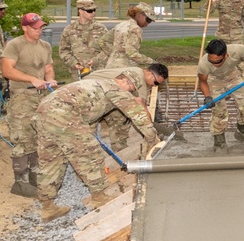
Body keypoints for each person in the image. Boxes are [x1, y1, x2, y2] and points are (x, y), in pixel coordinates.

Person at [34, 71, 158, 221]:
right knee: (91, 155)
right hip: (64, 116)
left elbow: (86, 111)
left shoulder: (97, 84)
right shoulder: (116, 89)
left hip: (43, 113)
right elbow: (140, 118)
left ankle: (48, 207)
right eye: (131, 90)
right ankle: (99, 198)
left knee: (51, 161)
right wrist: (153, 140)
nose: (130, 93)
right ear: (126, 82)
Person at [0, 13, 56, 198]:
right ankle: (20, 183)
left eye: (41, 27)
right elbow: (7, 70)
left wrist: (50, 80)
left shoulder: (45, 46)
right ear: (25, 28)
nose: (39, 31)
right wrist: (32, 78)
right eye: (35, 28)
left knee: (37, 137)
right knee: (22, 139)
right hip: (22, 97)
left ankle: (35, 176)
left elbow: (48, 68)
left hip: (40, 97)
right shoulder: (15, 45)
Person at [197, 39, 244, 153]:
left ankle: (243, 132)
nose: (214, 63)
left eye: (217, 61)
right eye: (211, 60)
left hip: (232, 75)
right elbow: (203, 82)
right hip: (214, 79)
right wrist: (207, 97)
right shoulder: (204, 64)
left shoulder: (236, 50)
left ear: (226, 55)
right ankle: (219, 142)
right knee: (219, 110)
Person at [87, 63, 169, 152]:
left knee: (121, 118)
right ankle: (87, 153)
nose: (155, 86)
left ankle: (119, 148)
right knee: (88, 131)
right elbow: (142, 109)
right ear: (150, 74)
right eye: (156, 82)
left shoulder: (137, 72)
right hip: (90, 92)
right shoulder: (139, 80)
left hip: (104, 91)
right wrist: (152, 131)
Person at [96, 2, 157, 68]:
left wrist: (115, 54)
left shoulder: (121, 25)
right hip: (124, 68)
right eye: (148, 20)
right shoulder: (135, 29)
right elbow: (132, 54)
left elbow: (103, 41)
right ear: (139, 15)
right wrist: (151, 62)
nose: (147, 23)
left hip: (111, 65)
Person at [58, 0, 108, 74]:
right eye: (90, 11)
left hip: (97, 71)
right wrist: (74, 63)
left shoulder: (101, 29)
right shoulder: (69, 30)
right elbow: (64, 51)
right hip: (78, 73)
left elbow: (108, 49)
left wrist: (96, 60)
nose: (93, 13)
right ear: (80, 11)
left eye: (94, 10)